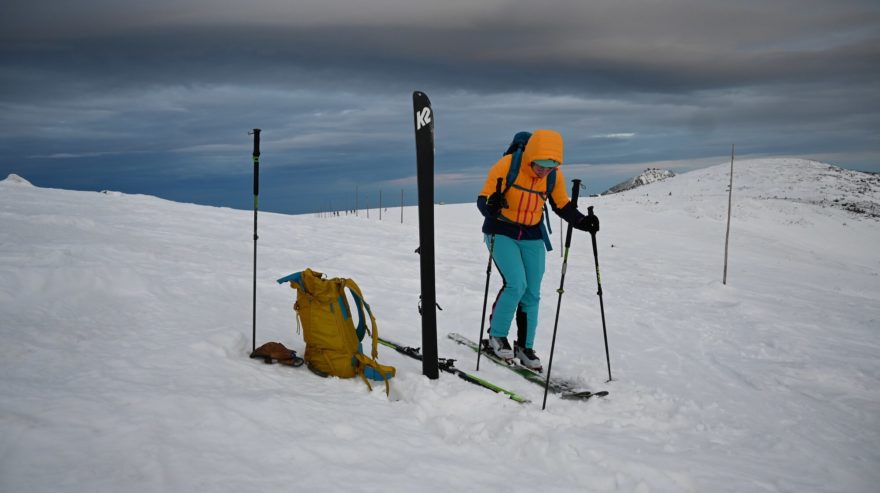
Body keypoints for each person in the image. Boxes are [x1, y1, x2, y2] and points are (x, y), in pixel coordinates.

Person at [476, 129, 599, 371]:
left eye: (550, 166)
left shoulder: (553, 176)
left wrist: (583, 221)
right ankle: (496, 336)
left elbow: (561, 204)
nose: (544, 171)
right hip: (501, 230)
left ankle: (525, 346)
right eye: (540, 165)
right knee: (516, 284)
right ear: (530, 157)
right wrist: (492, 206)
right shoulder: (507, 165)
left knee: (532, 292)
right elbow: (483, 199)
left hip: (532, 233)